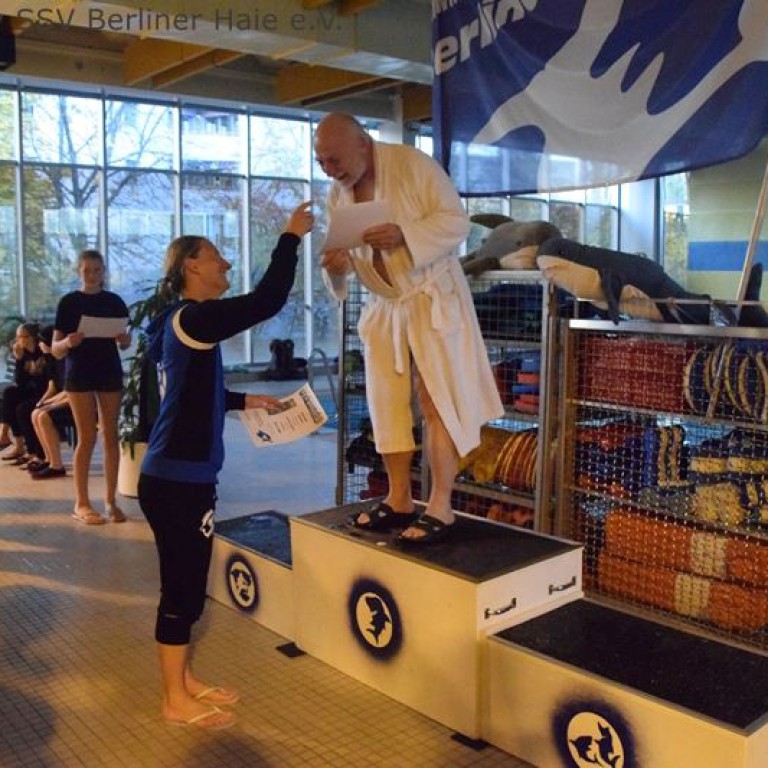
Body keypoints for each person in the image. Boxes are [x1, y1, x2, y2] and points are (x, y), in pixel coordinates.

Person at [138, 201, 314, 731]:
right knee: (182, 588)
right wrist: (290, 237)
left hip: (177, 476)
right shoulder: (194, 317)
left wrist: (242, 401)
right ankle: (173, 699)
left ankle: (184, 678)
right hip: (177, 481)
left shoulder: (178, 324)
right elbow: (266, 301)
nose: (227, 264)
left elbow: (185, 389)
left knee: (190, 583)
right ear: (191, 265)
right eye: (217, 257)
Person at [315, 113, 504, 544]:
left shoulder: (413, 165)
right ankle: (399, 498)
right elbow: (341, 257)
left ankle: (440, 504)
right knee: (385, 404)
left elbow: (456, 221)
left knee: (437, 401)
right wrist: (338, 267)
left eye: (334, 159)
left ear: (362, 143)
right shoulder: (337, 194)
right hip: (384, 305)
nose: (329, 170)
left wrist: (404, 234)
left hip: (430, 297)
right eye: (321, 162)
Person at [52, 250, 132, 525]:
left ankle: (110, 501)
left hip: (108, 370)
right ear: (79, 271)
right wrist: (68, 342)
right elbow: (55, 349)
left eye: (97, 270)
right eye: (87, 270)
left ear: (103, 272)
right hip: (79, 372)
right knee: (86, 436)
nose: (92, 275)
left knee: (110, 435)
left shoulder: (114, 301)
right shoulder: (69, 302)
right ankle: (82, 502)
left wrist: (124, 341)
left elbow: (124, 342)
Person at [27, 325, 71, 479]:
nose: (40, 345)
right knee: (36, 413)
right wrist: (43, 403)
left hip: (76, 404)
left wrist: (51, 405)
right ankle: (49, 459)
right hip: (63, 399)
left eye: (42, 342)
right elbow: (53, 388)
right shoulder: (52, 361)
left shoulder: (68, 361)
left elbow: (70, 393)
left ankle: (57, 466)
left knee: (44, 415)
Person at [0, 322, 47, 463]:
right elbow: (20, 382)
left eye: (20, 336)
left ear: (30, 338)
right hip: (30, 391)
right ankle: (14, 442)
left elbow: (47, 381)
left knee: (21, 408)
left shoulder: (43, 352)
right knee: (9, 393)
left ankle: (31, 451)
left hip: (45, 393)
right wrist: (19, 360)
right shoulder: (23, 353)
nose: (16, 340)